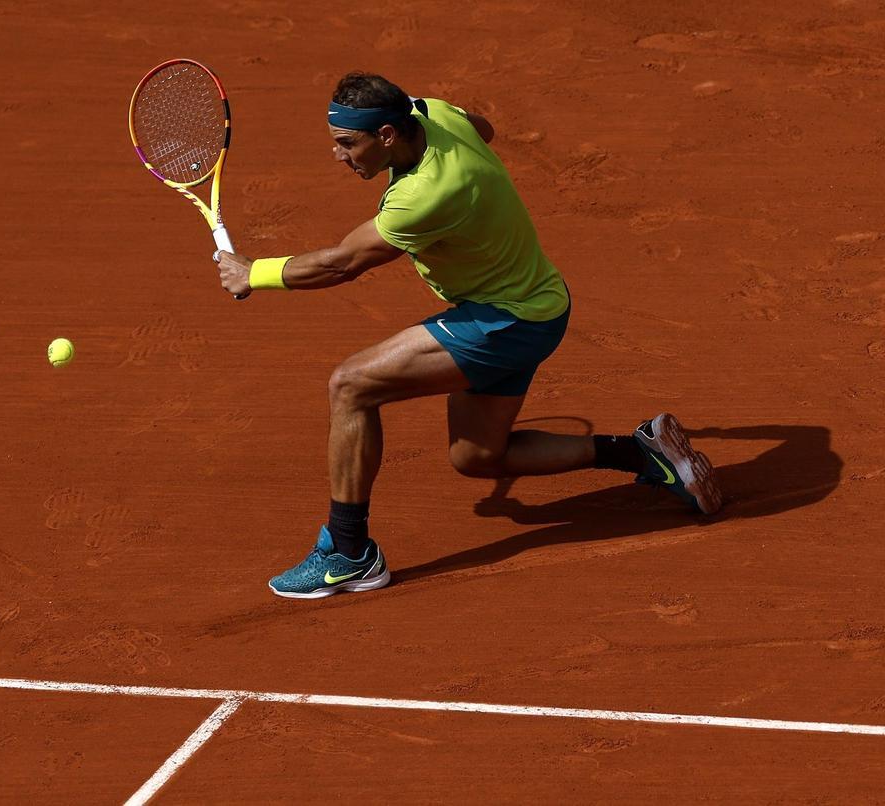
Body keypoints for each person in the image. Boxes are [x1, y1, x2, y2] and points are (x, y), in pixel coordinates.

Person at [213, 72, 722, 600]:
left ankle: (349, 553)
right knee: (478, 458)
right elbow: (484, 127)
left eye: (348, 144)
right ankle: (642, 453)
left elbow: (343, 264)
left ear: (387, 134)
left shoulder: (426, 194)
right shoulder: (434, 113)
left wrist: (255, 272)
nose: (339, 156)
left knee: (351, 385)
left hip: (504, 320)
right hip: (537, 302)